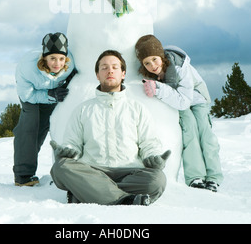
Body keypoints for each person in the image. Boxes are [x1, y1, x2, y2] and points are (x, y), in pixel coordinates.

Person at [50, 49, 170, 206]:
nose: (110, 71)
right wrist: (68, 151)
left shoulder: (137, 108)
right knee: (60, 168)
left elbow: (149, 143)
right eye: (104, 67)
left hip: (130, 171)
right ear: (97, 75)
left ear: (123, 73)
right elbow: (72, 142)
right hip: (92, 170)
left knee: (157, 180)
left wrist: (152, 157)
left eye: (115, 67)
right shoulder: (83, 109)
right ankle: (125, 199)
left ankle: (88, 193)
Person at [135, 34, 223, 192]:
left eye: (155, 59)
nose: (152, 65)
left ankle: (213, 177)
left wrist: (160, 89)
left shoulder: (180, 67)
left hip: (196, 99)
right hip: (178, 103)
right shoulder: (151, 74)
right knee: (189, 132)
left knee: (205, 134)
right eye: (146, 63)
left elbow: (185, 101)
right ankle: (195, 177)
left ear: (161, 56)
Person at [13, 32, 77, 186]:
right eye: (52, 58)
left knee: (41, 131)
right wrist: (50, 94)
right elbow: (27, 95)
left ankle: (30, 166)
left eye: (61, 58)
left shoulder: (70, 66)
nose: (57, 63)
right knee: (28, 129)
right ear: (44, 58)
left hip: (52, 96)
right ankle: (23, 176)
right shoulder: (28, 67)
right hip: (31, 96)